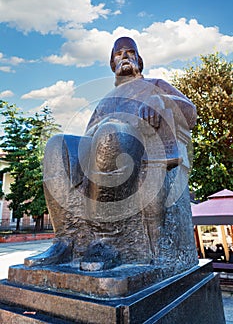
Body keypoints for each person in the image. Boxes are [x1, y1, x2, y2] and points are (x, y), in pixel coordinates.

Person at [25, 37, 197, 270]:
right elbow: (87, 138)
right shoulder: (106, 100)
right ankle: (65, 241)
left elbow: (191, 112)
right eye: (119, 53)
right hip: (103, 145)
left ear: (139, 59)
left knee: (110, 134)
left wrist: (159, 101)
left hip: (139, 149)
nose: (125, 56)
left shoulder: (156, 84)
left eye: (130, 52)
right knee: (57, 146)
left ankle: (105, 242)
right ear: (112, 62)